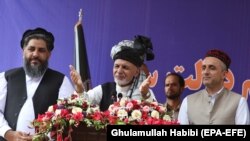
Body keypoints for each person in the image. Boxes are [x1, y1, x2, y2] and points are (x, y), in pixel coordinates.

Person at [0, 27, 76, 141]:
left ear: (49, 54)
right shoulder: (6, 77)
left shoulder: (61, 81)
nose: (35, 54)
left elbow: (69, 118)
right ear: (23, 51)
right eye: (31, 49)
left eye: (41, 50)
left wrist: (46, 137)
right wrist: (7, 133)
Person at [70, 40, 156, 111]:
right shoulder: (104, 89)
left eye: (125, 67)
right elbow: (84, 103)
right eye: (117, 66)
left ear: (136, 72)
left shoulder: (145, 92)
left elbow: (155, 115)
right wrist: (80, 88)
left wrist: (145, 95)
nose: (119, 71)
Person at [178, 49, 250, 124]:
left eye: (212, 68)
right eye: (203, 68)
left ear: (224, 74)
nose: (206, 72)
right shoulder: (188, 101)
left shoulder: (239, 102)